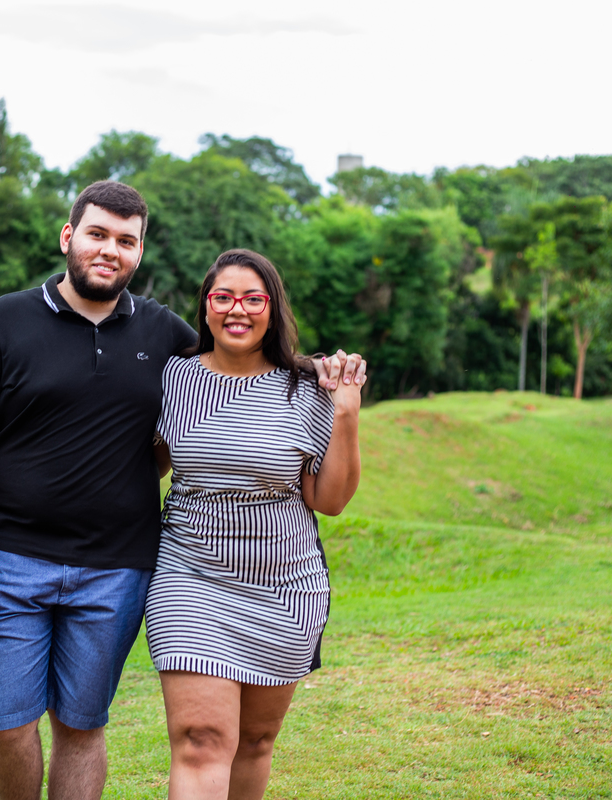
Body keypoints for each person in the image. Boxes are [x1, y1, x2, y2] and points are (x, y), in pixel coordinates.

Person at [0, 181, 362, 800]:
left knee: (85, 726)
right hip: (18, 560)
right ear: (68, 236)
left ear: (140, 251)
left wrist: (333, 384)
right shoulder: (9, 320)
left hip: (119, 567)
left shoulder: (164, 334)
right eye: (97, 234)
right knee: (9, 726)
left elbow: (245, 358)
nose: (110, 250)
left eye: (126, 240)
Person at [147, 249, 364, 800]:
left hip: (285, 586)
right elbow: (144, 463)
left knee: (255, 741)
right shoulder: (172, 378)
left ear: (272, 308)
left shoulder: (308, 388)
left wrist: (345, 412)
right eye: (223, 297)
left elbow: (329, 500)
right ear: (205, 307)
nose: (236, 309)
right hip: (191, 577)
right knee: (201, 739)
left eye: (252, 298)